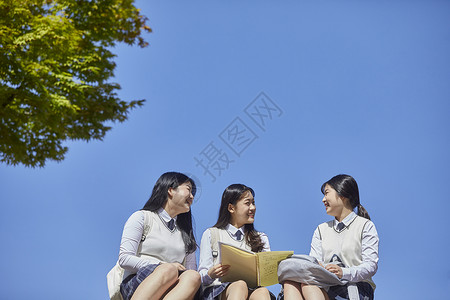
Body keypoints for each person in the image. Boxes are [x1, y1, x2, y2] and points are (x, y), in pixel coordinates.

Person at [283, 174, 379, 300]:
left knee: (308, 286)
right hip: (327, 286)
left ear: (343, 194)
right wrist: (322, 267)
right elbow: (314, 261)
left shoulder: (365, 226)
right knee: (291, 283)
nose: (323, 199)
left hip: (355, 287)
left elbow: (370, 266)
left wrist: (343, 272)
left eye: (327, 193)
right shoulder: (321, 230)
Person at [118, 172, 201, 300]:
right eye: (188, 190)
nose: (191, 197)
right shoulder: (142, 217)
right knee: (168, 270)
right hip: (139, 281)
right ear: (170, 190)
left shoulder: (186, 234)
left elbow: (190, 272)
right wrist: (160, 265)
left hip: (174, 288)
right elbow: (125, 259)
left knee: (193, 276)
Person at [198, 184, 274, 300]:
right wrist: (211, 274)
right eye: (247, 203)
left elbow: (266, 276)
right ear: (231, 208)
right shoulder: (211, 234)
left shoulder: (261, 238)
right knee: (240, 285)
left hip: (252, 289)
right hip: (218, 291)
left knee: (263, 292)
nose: (253, 207)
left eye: (253, 203)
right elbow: (201, 275)